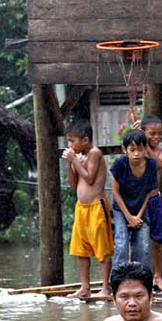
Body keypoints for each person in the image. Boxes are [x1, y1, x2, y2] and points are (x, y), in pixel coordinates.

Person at [62, 119, 114, 298]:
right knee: (80, 249)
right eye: (69, 141)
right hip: (81, 208)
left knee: (102, 248)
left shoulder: (94, 153)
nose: (70, 145)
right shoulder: (79, 157)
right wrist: (70, 164)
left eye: (72, 141)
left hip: (96, 207)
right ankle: (85, 287)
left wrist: (74, 161)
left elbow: (90, 178)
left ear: (85, 140)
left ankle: (106, 287)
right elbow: (73, 184)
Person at [110, 129, 158, 273]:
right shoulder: (120, 164)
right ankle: (117, 283)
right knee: (121, 244)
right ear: (125, 149)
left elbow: (150, 192)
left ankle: (143, 283)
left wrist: (138, 216)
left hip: (140, 210)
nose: (136, 153)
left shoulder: (151, 165)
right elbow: (115, 192)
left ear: (145, 149)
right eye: (132, 150)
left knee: (143, 246)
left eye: (140, 149)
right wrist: (129, 217)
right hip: (121, 209)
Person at [141, 115, 162, 291]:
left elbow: (157, 164)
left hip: (154, 198)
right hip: (137, 200)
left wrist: (145, 143)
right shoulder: (137, 146)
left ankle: (158, 276)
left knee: (158, 240)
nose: (157, 137)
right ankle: (138, 276)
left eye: (160, 133)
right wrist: (139, 140)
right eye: (152, 133)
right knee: (136, 239)